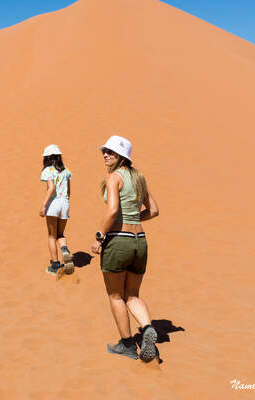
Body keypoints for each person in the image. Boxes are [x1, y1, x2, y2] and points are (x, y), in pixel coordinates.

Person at [91, 135, 160, 361]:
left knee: (115, 295)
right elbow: (153, 210)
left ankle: (128, 345)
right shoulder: (139, 178)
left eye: (111, 152)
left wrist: (99, 237)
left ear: (122, 157)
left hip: (118, 242)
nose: (106, 155)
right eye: (105, 151)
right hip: (140, 241)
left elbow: (112, 211)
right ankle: (147, 328)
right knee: (132, 295)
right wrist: (133, 219)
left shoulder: (114, 177)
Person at [39, 144, 74, 275]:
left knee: (51, 236)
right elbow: (69, 191)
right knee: (60, 234)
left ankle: (55, 265)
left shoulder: (47, 170)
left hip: (53, 205)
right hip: (65, 204)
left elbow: (51, 188)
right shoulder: (66, 170)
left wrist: (43, 205)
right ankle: (64, 249)